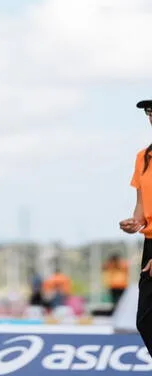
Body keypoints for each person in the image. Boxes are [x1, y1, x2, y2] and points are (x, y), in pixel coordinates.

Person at [119, 99, 152, 353]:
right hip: (149, 245)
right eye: (149, 113)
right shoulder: (143, 157)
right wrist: (134, 223)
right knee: (145, 321)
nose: (151, 117)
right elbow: (141, 210)